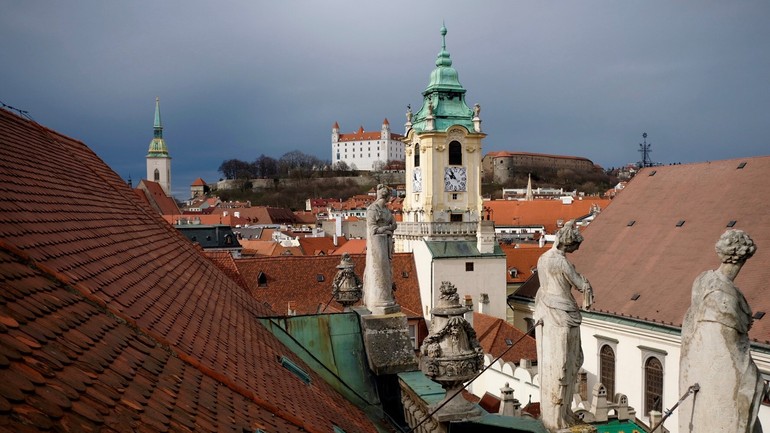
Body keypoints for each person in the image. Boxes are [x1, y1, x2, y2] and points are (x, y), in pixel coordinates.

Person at [679, 229, 763, 433]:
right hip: (718, 381)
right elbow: (731, 353)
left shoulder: (703, 280)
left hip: (699, 371)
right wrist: (757, 379)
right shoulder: (723, 297)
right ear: (743, 258)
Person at [534, 220, 592, 431]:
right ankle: (560, 417)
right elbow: (579, 284)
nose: (576, 250)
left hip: (548, 311)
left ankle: (559, 413)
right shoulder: (562, 263)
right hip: (563, 313)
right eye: (576, 246)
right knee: (566, 364)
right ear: (569, 244)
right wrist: (586, 285)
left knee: (559, 364)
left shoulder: (542, 258)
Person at [363, 184, 399, 314]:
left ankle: (386, 297)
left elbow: (394, 225)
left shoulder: (386, 210)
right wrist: (386, 229)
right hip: (377, 243)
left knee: (386, 269)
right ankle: (379, 300)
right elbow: (373, 229)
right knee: (380, 268)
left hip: (386, 242)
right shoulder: (372, 209)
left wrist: (386, 229)